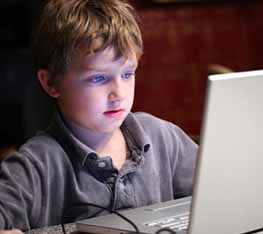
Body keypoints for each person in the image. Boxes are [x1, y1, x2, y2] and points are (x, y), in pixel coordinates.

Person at [0, 0, 198, 232]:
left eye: (127, 74)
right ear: (51, 82)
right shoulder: (33, 167)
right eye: (98, 78)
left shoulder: (162, 137)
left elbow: (223, 191)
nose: (119, 93)